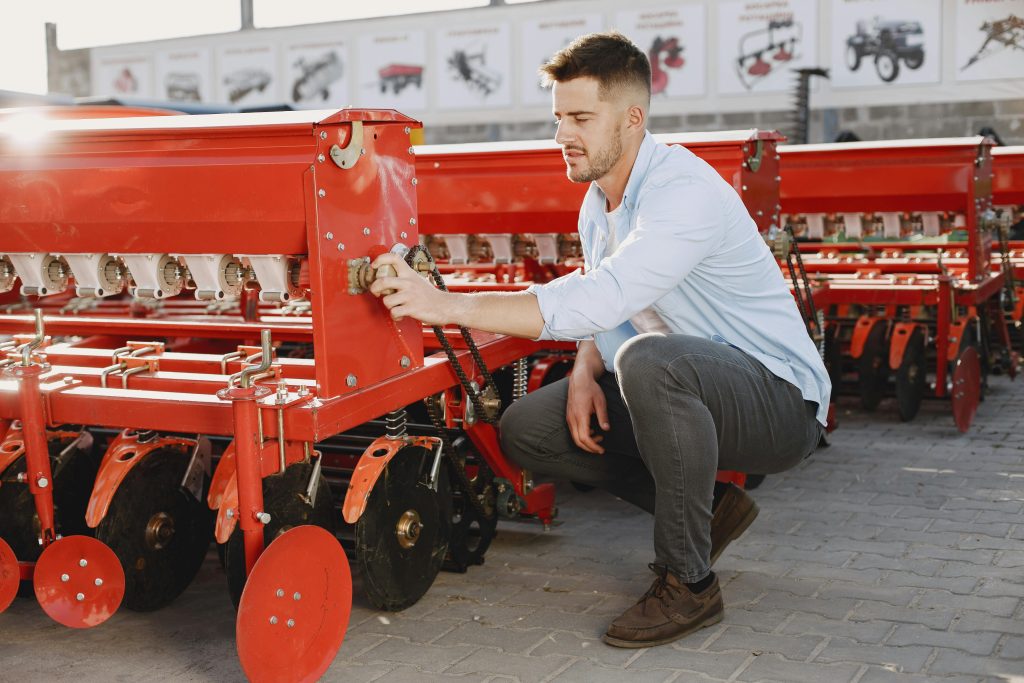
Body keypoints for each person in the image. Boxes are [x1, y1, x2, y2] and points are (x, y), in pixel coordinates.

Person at [370, 31, 830, 649]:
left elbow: (605, 296)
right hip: (682, 379)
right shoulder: (598, 202)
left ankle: (688, 584)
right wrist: (585, 369)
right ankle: (712, 509)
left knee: (651, 362)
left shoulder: (683, 193)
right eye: (559, 117)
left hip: (778, 402)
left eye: (581, 118)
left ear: (633, 118)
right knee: (528, 428)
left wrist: (442, 304)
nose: (563, 134)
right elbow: (608, 294)